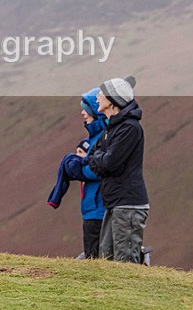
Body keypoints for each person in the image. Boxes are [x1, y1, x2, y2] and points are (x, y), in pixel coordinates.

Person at [87, 75, 150, 263]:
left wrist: (101, 160)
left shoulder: (129, 128)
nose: (97, 97)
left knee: (125, 263)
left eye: (101, 94)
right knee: (106, 260)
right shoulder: (112, 128)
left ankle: (133, 292)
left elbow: (108, 163)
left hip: (128, 204)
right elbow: (93, 158)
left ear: (113, 100)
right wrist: (101, 159)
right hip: (115, 203)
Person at [46, 88, 107, 259]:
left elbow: (100, 169)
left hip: (99, 207)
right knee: (94, 254)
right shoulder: (93, 138)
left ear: (95, 111)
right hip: (92, 207)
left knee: (96, 258)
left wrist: (78, 170)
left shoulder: (102, 137)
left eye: (86, 109)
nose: (82, 113)